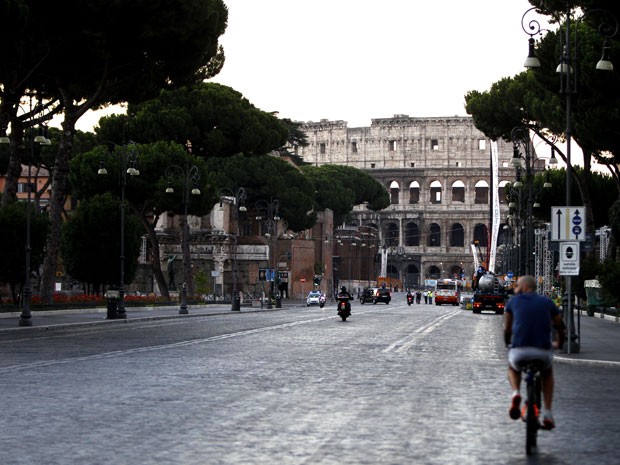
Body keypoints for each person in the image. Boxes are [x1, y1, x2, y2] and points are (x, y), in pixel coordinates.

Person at [504, 275, 565, 430]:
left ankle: (516, 392)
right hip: (542, 351)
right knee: (547, 373)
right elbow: (559, 325)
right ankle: (548, 413)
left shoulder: (513, 301)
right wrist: (560, 342)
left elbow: (508, 328)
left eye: (517, 285)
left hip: (519, 351)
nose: (515, 288)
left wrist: (508, 343)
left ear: (524, 287)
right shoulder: (547, 302)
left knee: (513, 367)